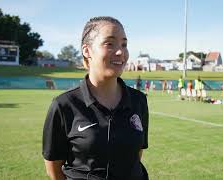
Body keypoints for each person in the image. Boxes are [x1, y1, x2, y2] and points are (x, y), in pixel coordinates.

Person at [42, 16, 149, 180]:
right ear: (87, 50)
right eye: (109, 44)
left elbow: (136, 155)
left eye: (124, 44)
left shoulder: (139, 100)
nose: (120, 51)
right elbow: (54, 168)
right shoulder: (64, 105)